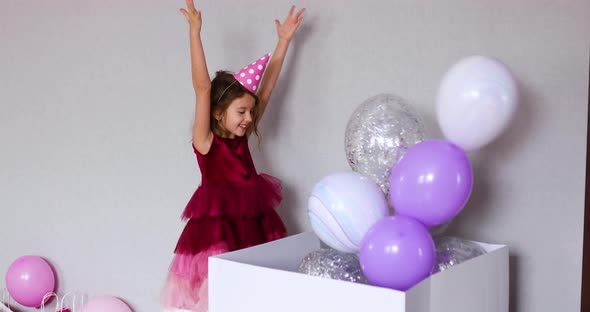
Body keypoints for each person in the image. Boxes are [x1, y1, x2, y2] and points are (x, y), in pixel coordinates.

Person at [161, 1, 305, 311]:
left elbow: (265, 91)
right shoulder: (206, 140)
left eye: (250, 113)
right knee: (222, 292)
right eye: (241, 112)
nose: (249, 119)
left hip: (252, 225)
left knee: (257, 289)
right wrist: (195, 33)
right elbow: (202, 88)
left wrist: (283, 43)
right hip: (218, 230)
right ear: (217, 112)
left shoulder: (242, 135)